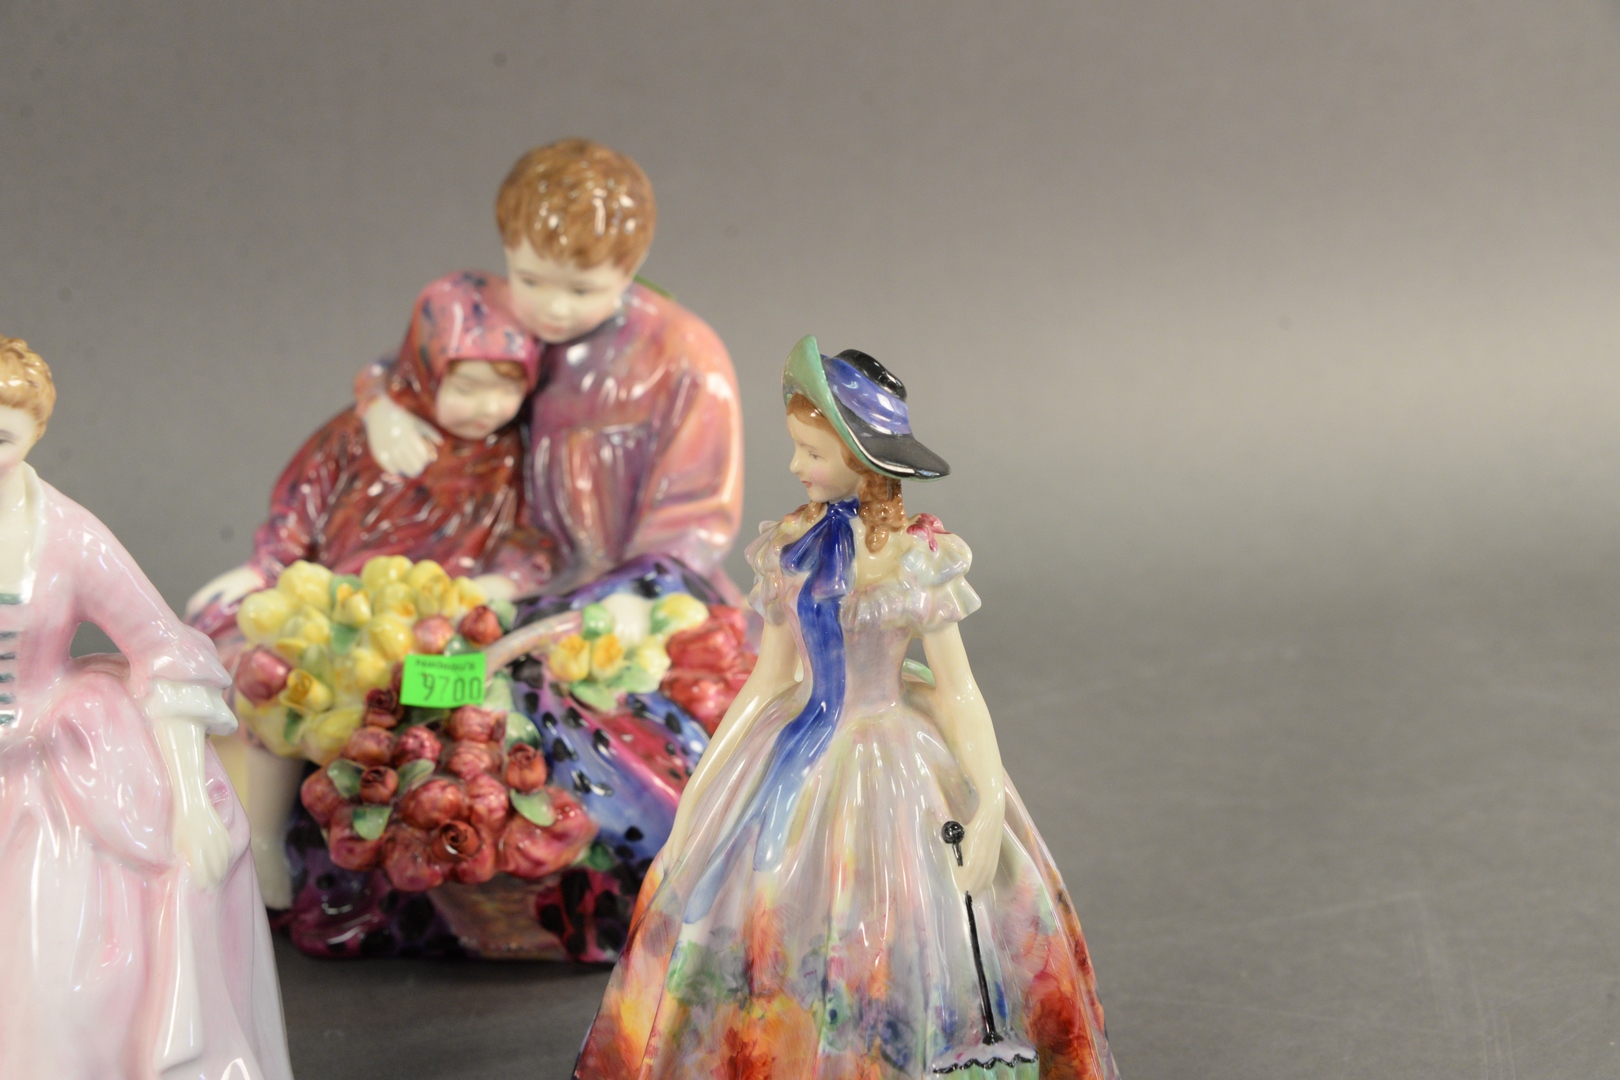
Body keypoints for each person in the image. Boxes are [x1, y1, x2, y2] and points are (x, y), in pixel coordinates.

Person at [573, 338, 1119, 1079]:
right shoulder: (790, 546)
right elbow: (768, 679)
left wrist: (987, 800)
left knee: (905, 921)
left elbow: (958, 689)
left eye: (812, 453)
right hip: (791, 753)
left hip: (890, 755)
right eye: (796, 448)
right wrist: (704, 784)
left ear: (863, 460)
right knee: (766, 907)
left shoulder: (917, 558)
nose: (795, 466)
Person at [186, 272, 551, 905]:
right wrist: (266, 566)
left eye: (507, 388)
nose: (488, 407)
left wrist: (501, 581)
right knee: (275, 679)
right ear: (426, 368)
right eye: (467, 387)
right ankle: (261, 839)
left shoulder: (513, 455)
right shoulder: (364, 432)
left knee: (442, 703)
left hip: (440, 621)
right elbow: (303, 503)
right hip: (339, 606)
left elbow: (533, 540)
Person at [0, 338, 293, 1080]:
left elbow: (164, 648)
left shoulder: (66, 537)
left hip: (43, 771)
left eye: (1, 436)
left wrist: (189, 800)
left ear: (34, 433)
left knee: (51, 970)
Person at [355, 138, 744, 599]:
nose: (553, 309)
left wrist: (638, 592)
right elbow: (406, 368)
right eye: (530, 280)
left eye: (582, 290)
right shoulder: (500, 322)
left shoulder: (680, 354)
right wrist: (382, 409)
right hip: (519, 577)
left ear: (629, 268)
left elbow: (698, 514)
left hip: (638, 594)